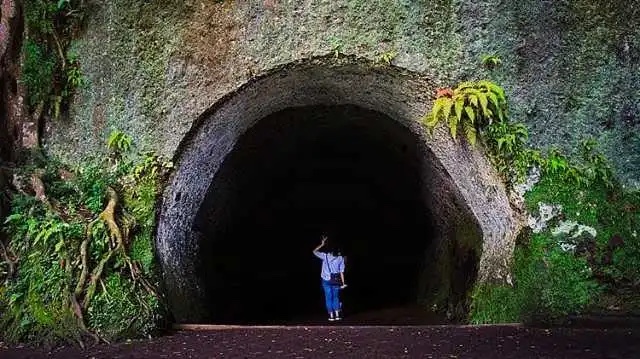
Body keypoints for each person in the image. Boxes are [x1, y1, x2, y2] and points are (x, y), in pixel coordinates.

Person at [312, 235, 347, 321]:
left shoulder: (325, 256)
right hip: (335, 280)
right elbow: (341, 271)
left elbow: (314, 251)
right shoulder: (340, 258)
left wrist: (322, 244)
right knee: (336, 297)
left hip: (326, 279)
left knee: (328, 297)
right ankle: (337, 315)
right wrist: (343, 283)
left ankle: (331, 316)